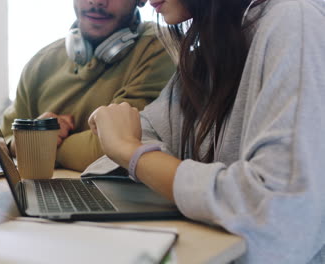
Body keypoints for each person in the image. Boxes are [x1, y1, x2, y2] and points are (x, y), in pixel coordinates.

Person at [86, 0, 325, 263]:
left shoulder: (295, 19)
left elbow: (281, 213)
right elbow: (147, 131)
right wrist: (140, 153)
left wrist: (135, 154)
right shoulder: (210, 49)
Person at [1, 0, 176, 172]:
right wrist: (18, 143)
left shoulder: (163, 48)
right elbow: (3, 137)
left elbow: (120, 145)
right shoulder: (43, 61)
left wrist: (36, 145)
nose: (97, 2)